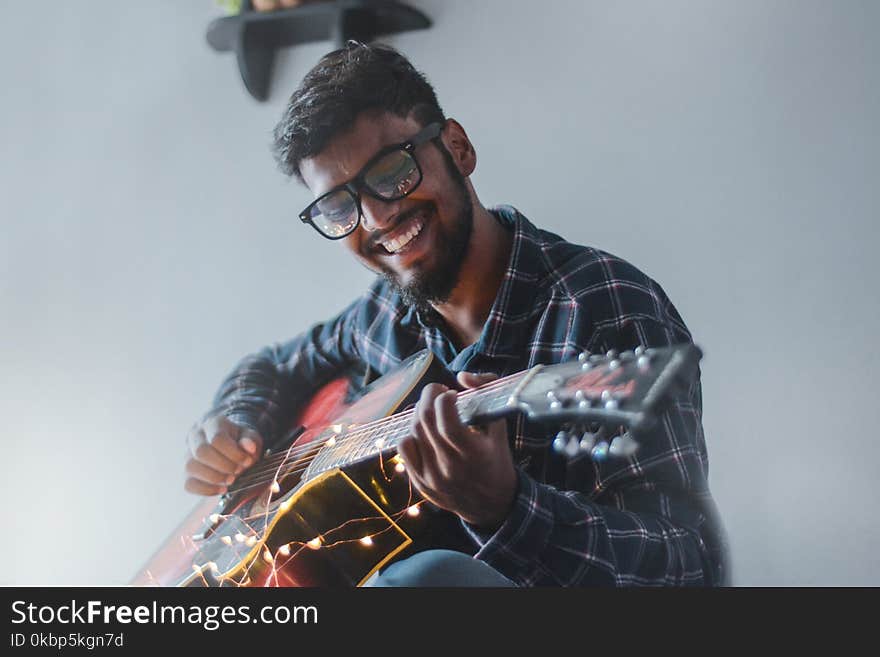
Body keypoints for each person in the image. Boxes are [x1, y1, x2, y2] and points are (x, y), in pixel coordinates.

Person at [183, 41, 728, 587]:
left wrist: (508, 509)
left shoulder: (605, 308)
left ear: (457, 148)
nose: (375, 218)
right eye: (339, 206)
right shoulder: (384, 317)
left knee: (427, 581)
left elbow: (690, 569)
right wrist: (236, 422)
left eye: (391, 171)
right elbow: (274, 364)